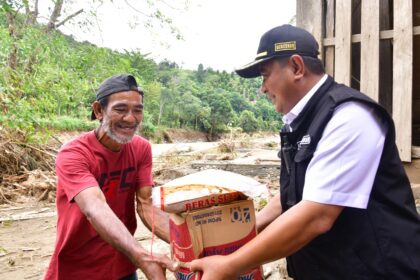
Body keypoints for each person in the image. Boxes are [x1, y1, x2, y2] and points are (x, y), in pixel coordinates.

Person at [190, 24, 420, 279]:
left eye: (265, 76)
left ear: (297, 68)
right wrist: (245, 233)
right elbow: (294, 194)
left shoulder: (349, 116)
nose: (262, 88)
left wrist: (230, 265)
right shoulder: (299, 122)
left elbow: (316, 215)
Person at [45, 74, 178, 280]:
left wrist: (189, 243)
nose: (130, 118)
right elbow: (94, 207)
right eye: (120, 109)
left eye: (138, 110)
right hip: (78, 269)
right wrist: (144, 258)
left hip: (124, 263)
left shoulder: (141, 148)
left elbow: (145, 204)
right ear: (99, 110)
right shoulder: (74, 153)